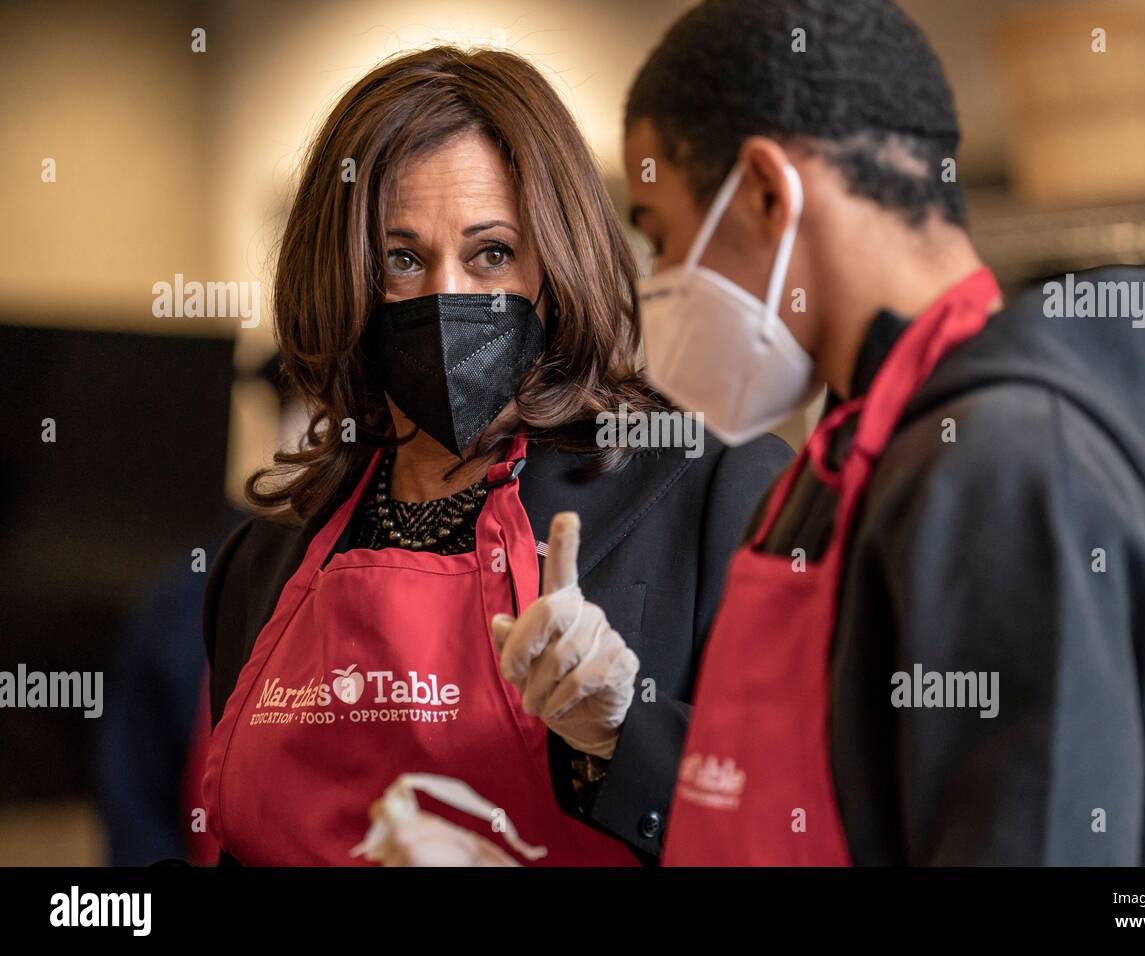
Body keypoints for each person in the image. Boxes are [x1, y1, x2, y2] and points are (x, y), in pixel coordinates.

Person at [623, 0, 1145, 864]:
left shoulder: (1010, 466)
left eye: (662, 238)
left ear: (765, 190)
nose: (665, 283)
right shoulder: (844, 457)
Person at [200, 45, 789, 866]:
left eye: (492, 254)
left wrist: (622, 736)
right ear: (345, 281)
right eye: (402, 260)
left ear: (560, 261)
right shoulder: (260, 562)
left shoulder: (714, 497)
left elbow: (795, 825)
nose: (450, 297)